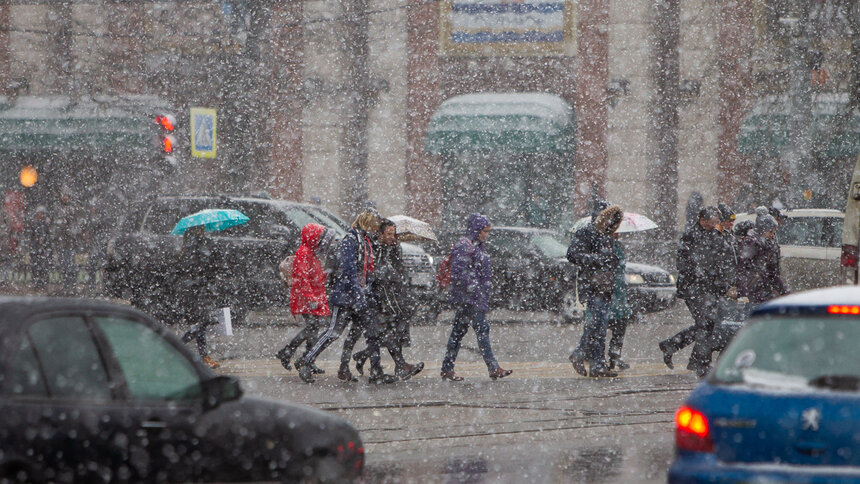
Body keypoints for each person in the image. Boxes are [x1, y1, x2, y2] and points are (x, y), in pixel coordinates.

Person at [295, 209, 396, 384]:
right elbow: (349, 271)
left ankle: (375, 371)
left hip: (360, 296)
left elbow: (365, 270)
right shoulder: (350, 240)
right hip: (346, 297)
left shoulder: (364, 241)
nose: (375, 230)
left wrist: (368, 289)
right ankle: (306, 361)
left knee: (371, 333)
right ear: (367, 223)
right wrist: (358, 293)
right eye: (374, 226)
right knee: (333, 332)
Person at [658, 206, 735, 377]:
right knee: (705, 323)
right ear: (702, 221)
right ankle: (701, 363)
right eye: (712, 222)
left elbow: (721, 259)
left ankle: (673, 346)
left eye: (716, 222)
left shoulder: (716, 235)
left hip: (709, 287)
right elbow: (683, 262)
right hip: (694, 288)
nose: (715, 225)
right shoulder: (691, 235)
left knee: (707, 324)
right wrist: (698, 272)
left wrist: (721, 280)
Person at [440, 213, 512, 381]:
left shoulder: (478, 246)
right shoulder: (465, 246)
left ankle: (447, 368)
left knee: (458, 333)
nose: (487, 234)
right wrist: (474, 287)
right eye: (485, 231)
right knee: (481, 330)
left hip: (473, 297)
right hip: (470, 298)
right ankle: (493, 367)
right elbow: (459, 271)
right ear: (477, 230)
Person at [353, 219, 425, 380]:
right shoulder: (371, 247)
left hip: (393, 294)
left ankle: (366, 356)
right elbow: (371, 271)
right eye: (389, 234)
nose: (392, 237)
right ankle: (398, 365)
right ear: (379, 233)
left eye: (394, 234)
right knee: (387, 331)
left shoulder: (392, 247)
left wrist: (394, 249)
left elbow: (398, 268)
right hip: (379, 297)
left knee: (392, 330)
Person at [568, 204, 624, 378]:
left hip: (605, 285)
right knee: (597, 325)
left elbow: (611, 260)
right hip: (592, 285)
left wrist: (612, 259)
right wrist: (598, 259)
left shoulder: (607, 235)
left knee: (599, 325)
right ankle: (590, 359)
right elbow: (572, 255)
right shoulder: (586, 232)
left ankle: (594, 363)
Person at [275, 223, 331, 375]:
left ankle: (307, 358)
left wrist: (325, 275)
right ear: (312, 237)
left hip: (312, 294)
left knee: (313, 328)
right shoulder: (304, 252)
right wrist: (309, 297)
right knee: (312, 326)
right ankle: (290, 352)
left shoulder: (311, 252)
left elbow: (313, 274)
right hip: (306, 297)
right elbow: (301, 277)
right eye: (319, 237)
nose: (321, 240)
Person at [178, 225, 223, 368]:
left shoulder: (193, 247)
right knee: (201, 324)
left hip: (198, 291)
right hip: (198, 292)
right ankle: (199, 354)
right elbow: (202, 268)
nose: (204, 231)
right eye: (202, 228)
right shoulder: (198, 248)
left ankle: (181, 348)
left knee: (200, 325)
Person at [737, 209, 788, 304]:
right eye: (771, 232)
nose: (773, 235)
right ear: (763, 231)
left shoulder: (767, 244)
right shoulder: (751, 243)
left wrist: (784, 291)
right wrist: (742, 294)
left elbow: (772, 272)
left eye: (774, 232)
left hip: (762, 289)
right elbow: (742, 269)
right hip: (752, 290)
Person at [53, 189, 83, 294]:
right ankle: (66, 285)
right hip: (61, 242)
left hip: (69, 242)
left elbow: (76, 224)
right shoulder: (58, 208)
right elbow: (56, 224)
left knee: (70, 264)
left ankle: (71, 285)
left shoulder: (73, 208)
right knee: (63, 265)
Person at [28, 205, 52, 291]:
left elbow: (48, 236)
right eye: (39, 213)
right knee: (35, 267)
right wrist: (37, 240)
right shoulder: (33, 223)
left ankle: (43, 283)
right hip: (35, 248)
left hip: (44, 249)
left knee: (44, 267)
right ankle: (37, 283)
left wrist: (44, 241)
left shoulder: (46, 224)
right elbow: (31, 236)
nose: (40, 215)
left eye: (42, 213)